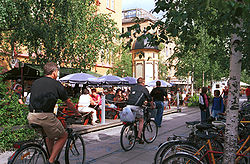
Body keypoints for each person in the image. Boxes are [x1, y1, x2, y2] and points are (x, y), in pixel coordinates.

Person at [27, 62, 80, 164]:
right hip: (45, 116)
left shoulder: (36, 82)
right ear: (54, 72)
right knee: (63, 135)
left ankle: (50, 157)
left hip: (31, 116)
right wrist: (77, 113)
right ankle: (51, 161)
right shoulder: (56, 84)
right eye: (57, 72)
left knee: (49, 136)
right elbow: (68, 102)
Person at [126, 77, 153, 144]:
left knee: (134, 119)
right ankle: (138, 136)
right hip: (137, 106)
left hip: (128, 105)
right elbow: (149, 98)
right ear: (143, 83)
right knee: (141, 120)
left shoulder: (133, 87)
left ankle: (132, 129)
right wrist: (152, 105)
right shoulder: (144, 89)